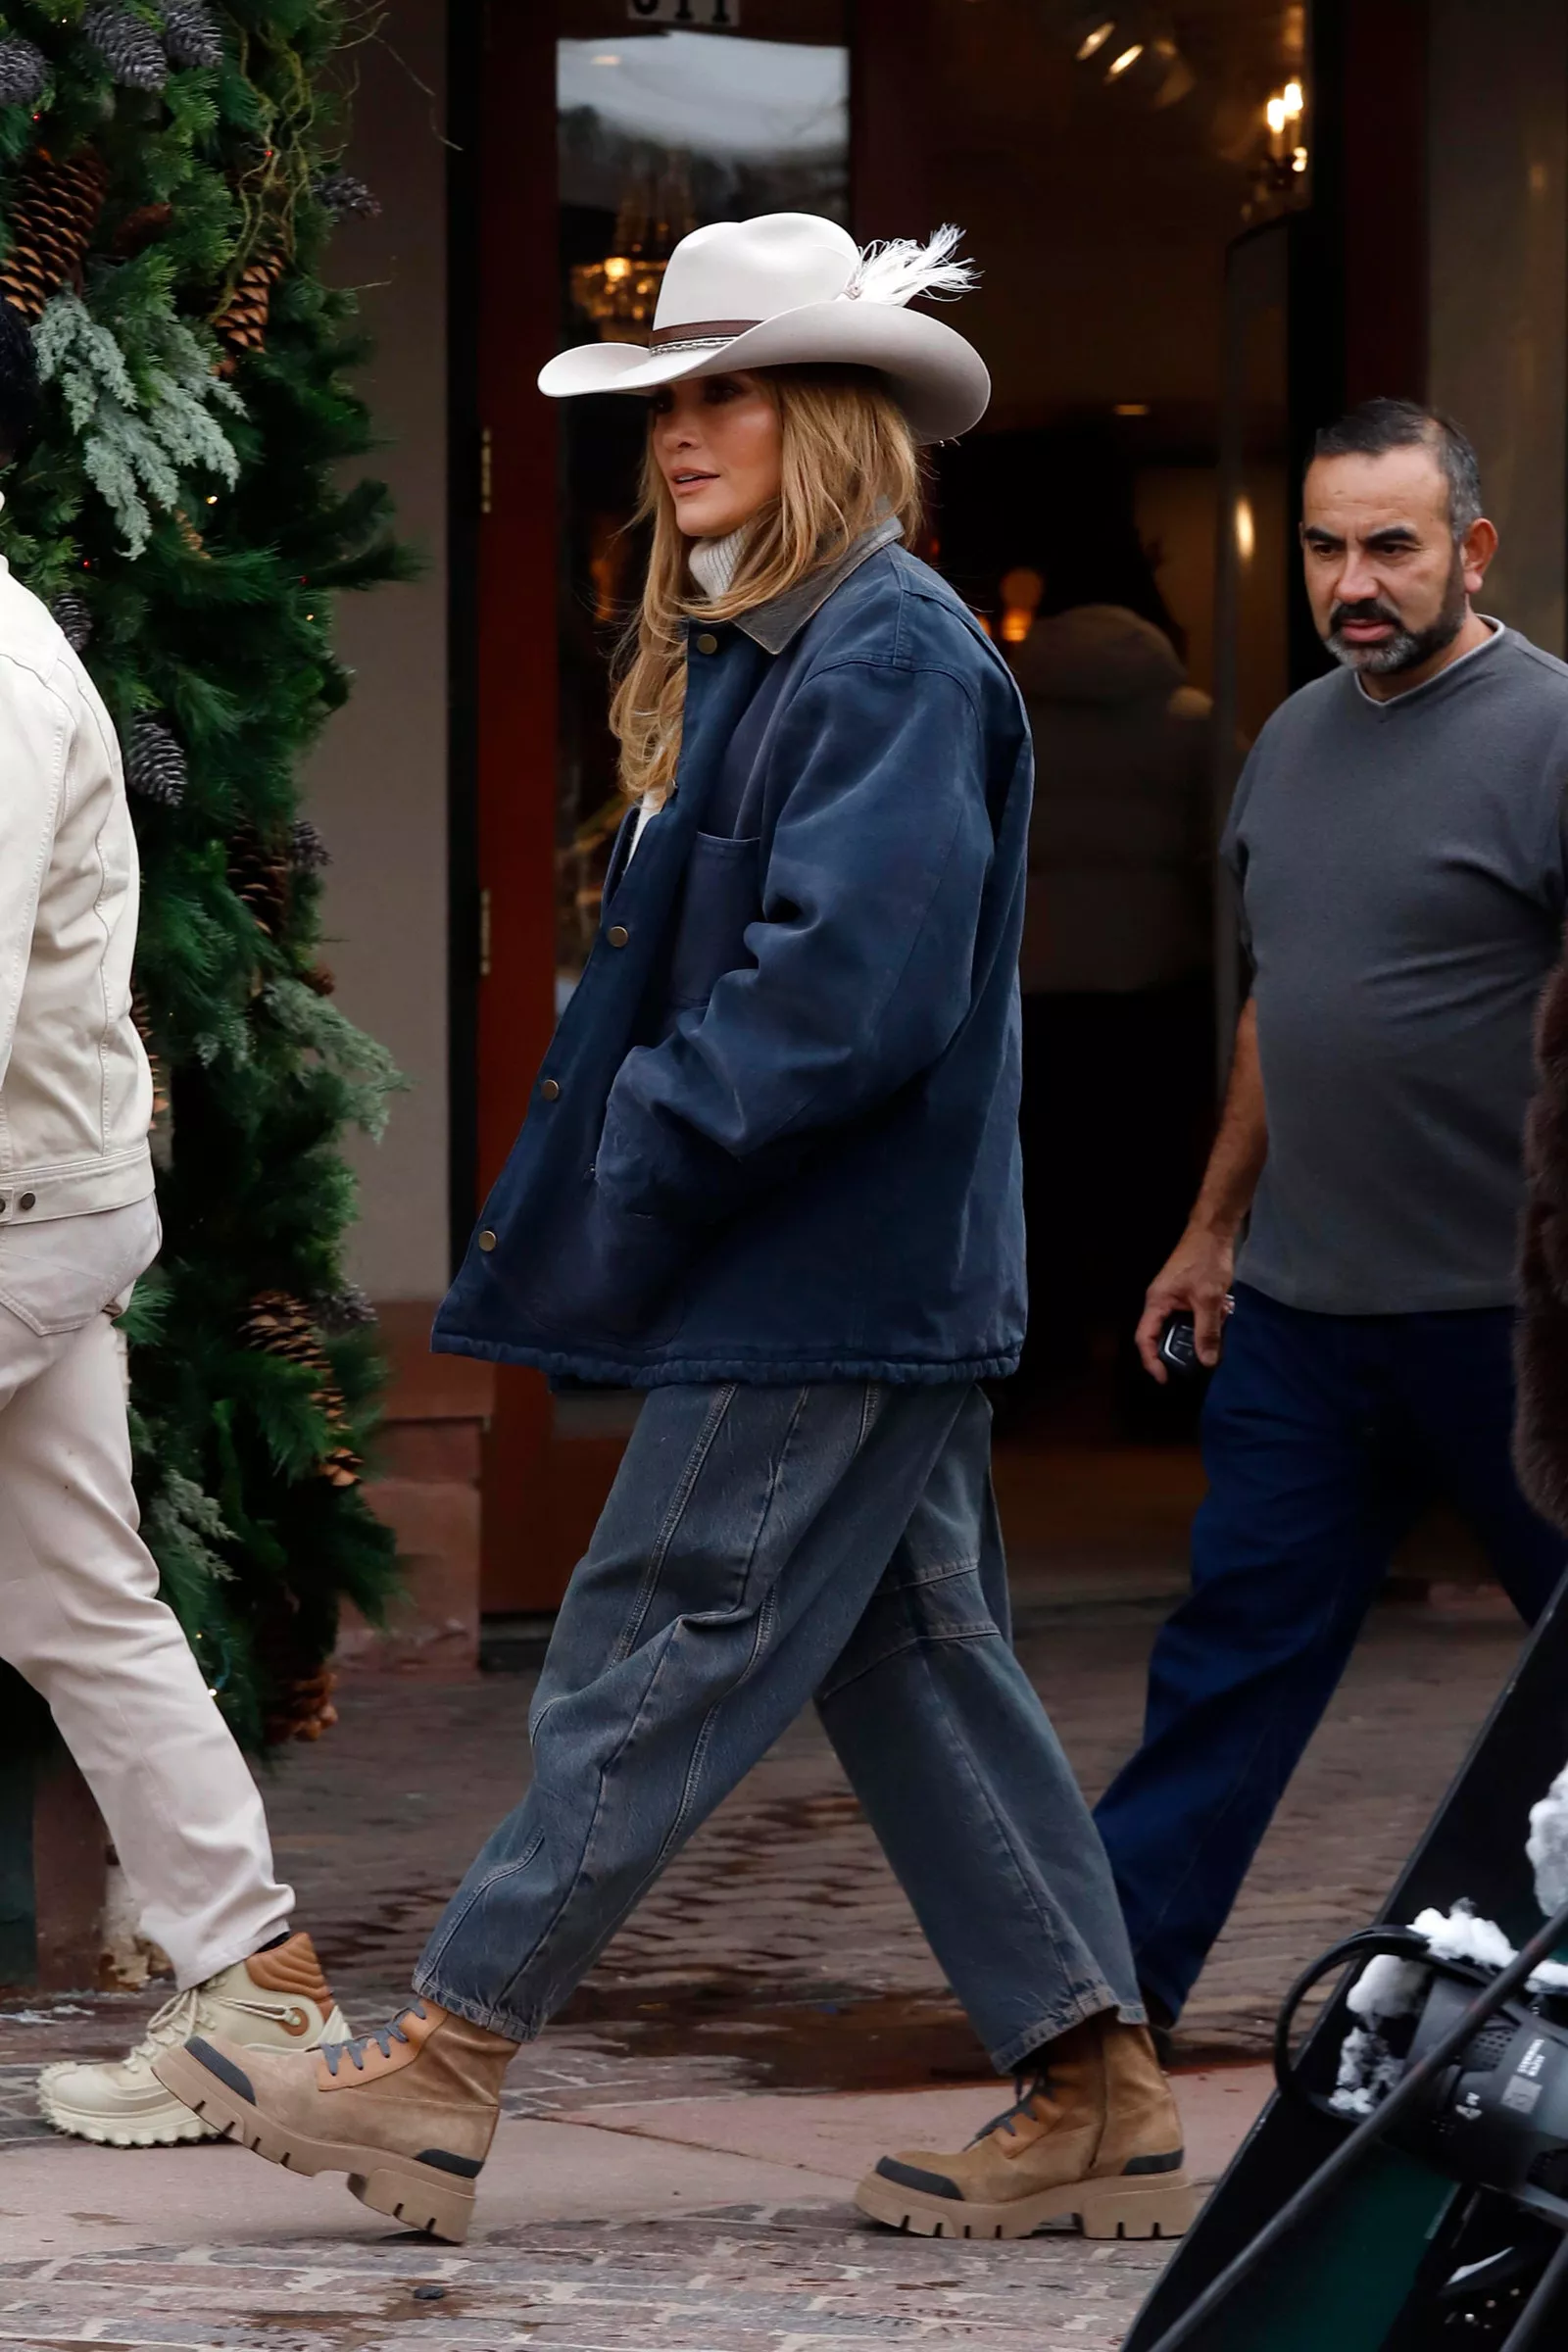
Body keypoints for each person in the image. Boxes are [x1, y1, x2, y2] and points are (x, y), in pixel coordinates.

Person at [153, 211, 1195, 2249]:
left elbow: (850, 991)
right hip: (849, 1266)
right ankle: (1096, 2091)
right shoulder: (798, 644)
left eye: (723, 387)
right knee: (919, 1664)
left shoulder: (880, 647)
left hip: (825, 1273)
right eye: (666, 394)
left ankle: (441, 2065)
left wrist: (646, 1126)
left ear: (826, 414)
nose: (680, 428)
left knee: (645, 1640)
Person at [1094, 399, 1568, 2040]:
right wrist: (1213, 1229)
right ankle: (1094, 2029)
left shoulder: (1552, 736)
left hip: (1515, 1325)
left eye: (1392, 546)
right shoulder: (1288, 741)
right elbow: (1283, 1012)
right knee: (1224, 1667)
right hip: (1308, 1313)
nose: (1355, 582)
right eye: (1327, 547)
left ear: (1469, 551)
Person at [0, 298, 346, 2145]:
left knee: (80, 1598)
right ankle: (255, 1990)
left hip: (11, 1206)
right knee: (79, 1597)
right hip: (41, 1197)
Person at [1007, 598, 1214, 1423]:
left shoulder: (1007, 715)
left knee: (1037, 1192)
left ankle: (1034, 1363)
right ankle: (1159, 1388)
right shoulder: (1194, 720)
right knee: (1156, 1198)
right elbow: (1233, 849)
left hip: (1033, 990)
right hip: (1153, 988)